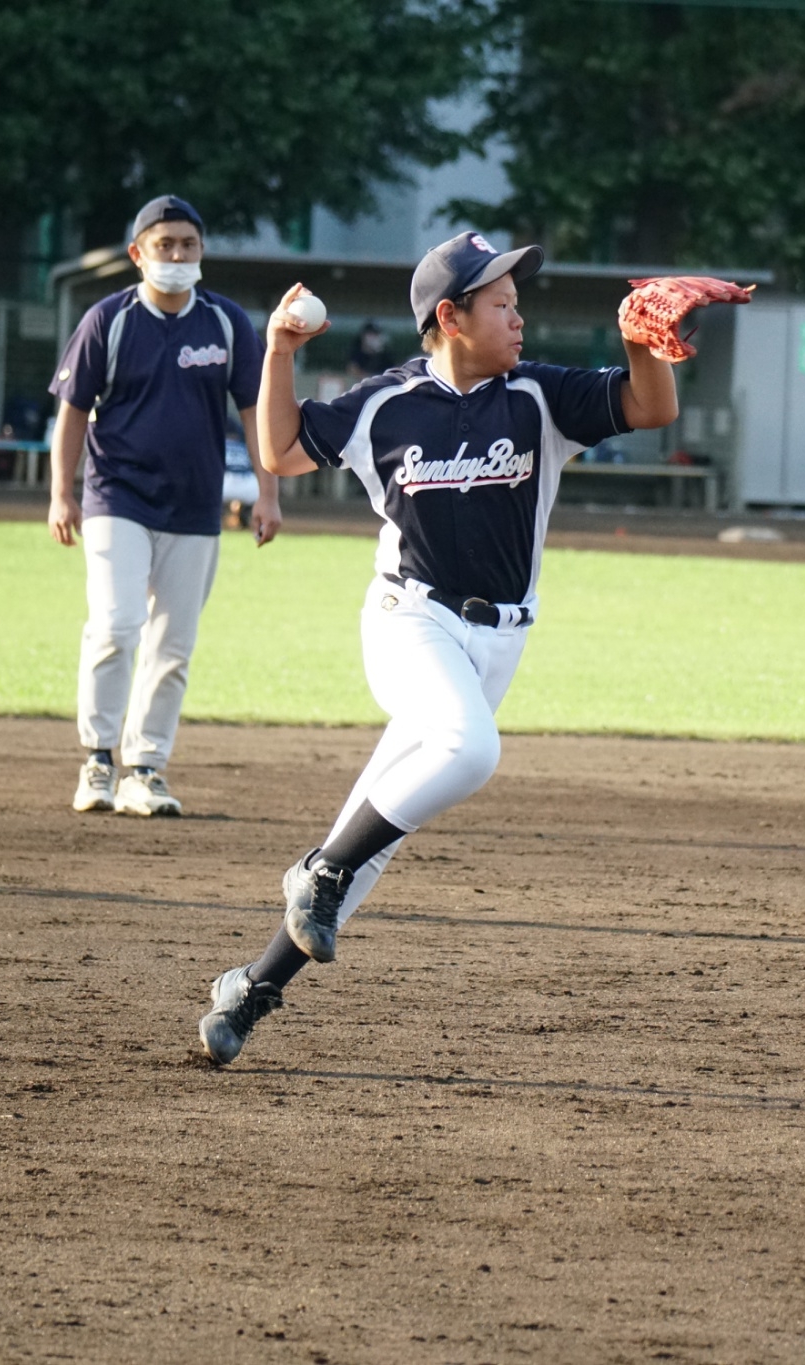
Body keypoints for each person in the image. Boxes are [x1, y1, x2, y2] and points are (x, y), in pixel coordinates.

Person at [194, 231, 682, 1065]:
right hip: (409, 621)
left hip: (500, 642)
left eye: (518, 303)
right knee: (468, 749)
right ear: (450, 317)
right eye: (502, 303)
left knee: (376, 834)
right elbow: (278, 450)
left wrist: (644, 342)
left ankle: (251, 989)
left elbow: (652, 408)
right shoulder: (385, 403)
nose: (519, 318)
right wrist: (278, 350)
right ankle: (319, 867)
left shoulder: (539, 396)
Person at [47, 194, 279, 818]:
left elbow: (256, 411)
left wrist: (268, 491)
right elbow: (70, 413)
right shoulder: (108, 319)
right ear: (137, 253)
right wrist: (61, 493)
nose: (177, 256)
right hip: (116, 496)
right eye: (165, 245)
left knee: (173, 643)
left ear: (201, 252)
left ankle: (144, 768)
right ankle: (97, 758)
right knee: (117, 624)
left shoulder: (226, 323)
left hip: (197, 503)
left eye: (188, 245)